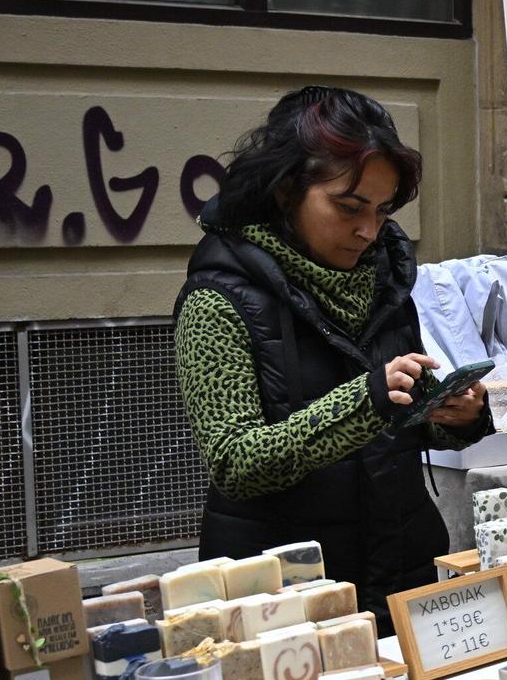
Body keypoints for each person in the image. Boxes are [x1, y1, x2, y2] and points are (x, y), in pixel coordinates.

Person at [174, 86, 491, 619]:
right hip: (283, 596)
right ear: (284, 190)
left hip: (401, 573)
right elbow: (236, 461)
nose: (368, 230)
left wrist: (451, 416)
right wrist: (367, 402)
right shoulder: (216, 300)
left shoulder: (386, 280)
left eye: (382, 210)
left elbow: (396, 423)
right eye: (348, 207)